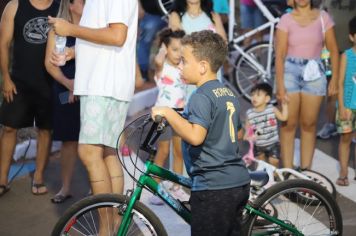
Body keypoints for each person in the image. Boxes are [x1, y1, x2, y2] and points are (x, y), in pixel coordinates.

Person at [151, 30, 250, 236]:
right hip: (237, 181)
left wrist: (169, 112)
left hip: (213, 187)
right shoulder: (227, 93)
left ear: (203, 66)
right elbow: (238, 134)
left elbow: (196, 136)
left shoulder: (200, 96)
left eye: (184, 61)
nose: (180, 66)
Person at [48, 0, 138, 200]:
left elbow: (117, 36)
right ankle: (113, 227)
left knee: (89, 152)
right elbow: (103, 36)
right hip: (103, 83)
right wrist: (72, 53)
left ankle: (107, 228)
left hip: (104, 84)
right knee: (108, 153)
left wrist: (71, 28)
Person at [0, 0, 58, 197]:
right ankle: (2, 179)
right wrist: (6, 78)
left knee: (45, 130)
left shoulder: (60, 7)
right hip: (18, 82)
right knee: (9, 128)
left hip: (49, 83)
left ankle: (39, 177)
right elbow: (4, 43)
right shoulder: (15, 6)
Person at [275, 0, 339, 170]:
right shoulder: (286, 19)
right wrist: (280, 86)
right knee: (288, 124)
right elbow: (279, 55)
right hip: (290, 73)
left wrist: (335, 79)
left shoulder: (323, 17)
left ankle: (305, 171)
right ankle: (287, 171)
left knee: (309, 124)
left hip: (315, 74)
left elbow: (334, 50)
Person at [44, 0, 84, 203]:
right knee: (68, 141)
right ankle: (65, 188)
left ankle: (99, 188)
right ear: (70, 4)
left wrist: (82, 86)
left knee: (92, 142)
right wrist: (69, 84)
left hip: (90, 90)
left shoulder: (92, 29)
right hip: (64, 88)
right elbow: (49, 65)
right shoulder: (58, 29)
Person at [149, 28, 189, 205]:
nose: (178, 53)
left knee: (179, 151)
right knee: (163, 151)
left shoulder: (184, 67)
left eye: (181, 49)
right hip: (163, 117)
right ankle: (155, 188)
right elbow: (157, 59)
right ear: (165, 48)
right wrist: (163, 49)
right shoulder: (161, 66)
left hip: (179, 116)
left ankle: (177, 188)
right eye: (174, 49)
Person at [245, 83, 288, 167]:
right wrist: (248, 136)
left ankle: (275, 178)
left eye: (258, 95)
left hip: (273, 143)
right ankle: (267, 178)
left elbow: (283, 118)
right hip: (258, 145)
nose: (254, 97)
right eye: (252, 95)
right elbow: (248, 128)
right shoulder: (250, 113)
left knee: (274, 162)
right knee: (262, 164)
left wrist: (285, 106)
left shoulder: (272, 109)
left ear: (267, 99)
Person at [335, 16, 356, 186]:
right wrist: (341, 106)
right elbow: (340, 84)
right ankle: (343, 172)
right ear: (352, 37)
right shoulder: (347, 56)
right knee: (345, 139)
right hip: (347, 106)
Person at [137, 0, 167, 80]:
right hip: (151, 13)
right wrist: (139, 7)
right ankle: (143, 72)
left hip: (173, 12)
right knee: (145, 40)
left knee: (177, 40)